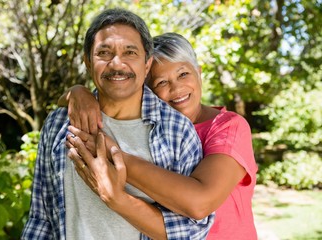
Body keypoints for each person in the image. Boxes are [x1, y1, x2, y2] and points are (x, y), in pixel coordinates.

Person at [22, 8, 214, 240]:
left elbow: (194, 231)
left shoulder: (177, 132)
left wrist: (117, 197)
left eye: (130, 52)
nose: (117, 63)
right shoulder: (59, 122)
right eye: (104, 52)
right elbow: (40, 218)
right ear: (88, 62)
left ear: (146, 64)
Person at [62, 32, 258, 240]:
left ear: (199, 73)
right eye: (161, 82)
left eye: (183, 74)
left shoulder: (228, 127)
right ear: (146, 91)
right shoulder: (150, 130)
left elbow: (200, 203)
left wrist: (112, 154)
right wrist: (76, 92)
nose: (176, 88)